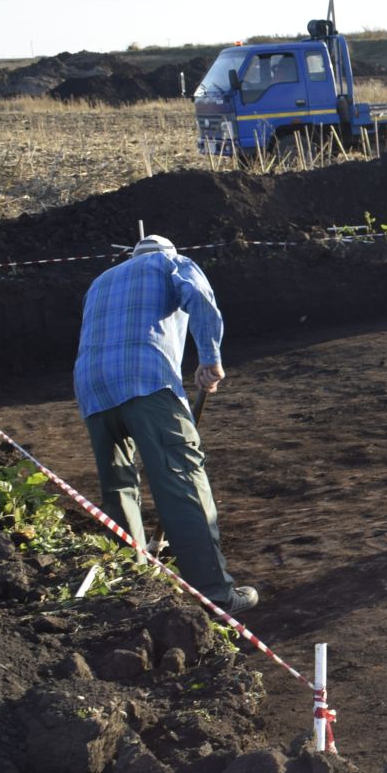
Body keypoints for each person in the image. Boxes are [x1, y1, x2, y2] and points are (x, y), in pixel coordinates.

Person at [73, 235, 257, 613]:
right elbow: (201, 299)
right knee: (180, 480)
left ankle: (132, 581)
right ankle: (214, 594)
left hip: (91, 387)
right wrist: (209, 359)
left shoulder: (101, 280)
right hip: (146, 379)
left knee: (118, 487)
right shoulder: (170, 263)